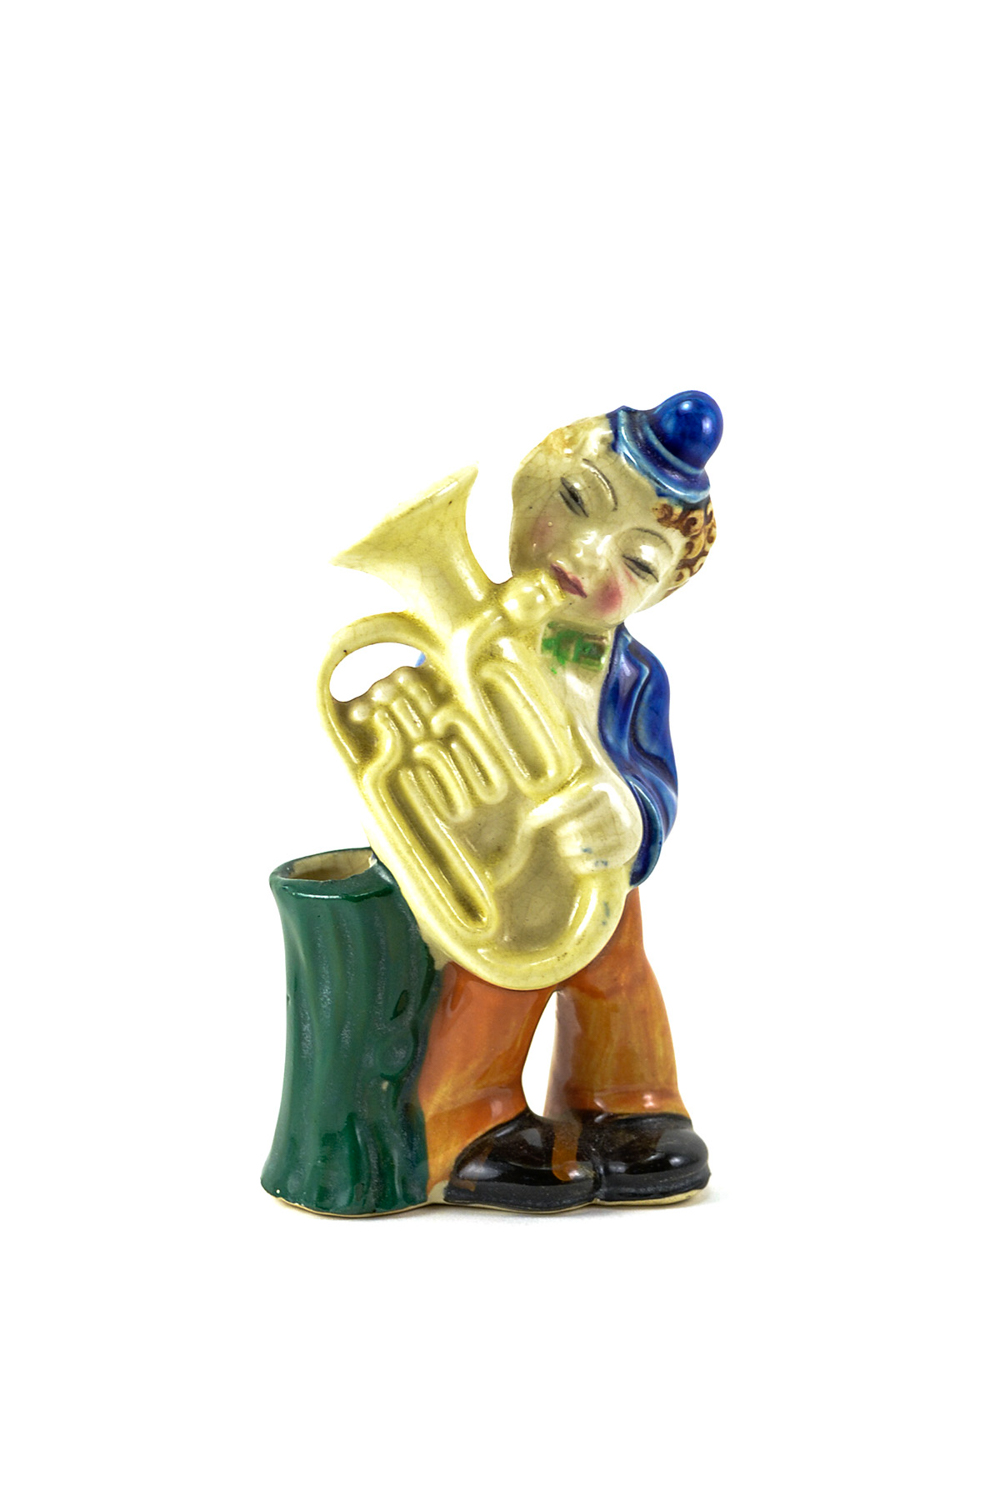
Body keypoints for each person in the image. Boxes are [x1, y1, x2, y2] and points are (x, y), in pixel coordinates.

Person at [416, 390, 724, 1211]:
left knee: (619, 975)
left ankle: (624, 1102)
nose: (589, 557)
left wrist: (629, 813)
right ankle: (464, 1117)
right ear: (528, 487)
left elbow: (655, 779)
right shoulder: (457, 637)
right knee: (496, 981)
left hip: (593, 877)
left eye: (639, 563)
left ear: (660, 594)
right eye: (580, 501)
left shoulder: (635, 678)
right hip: (492, 874)